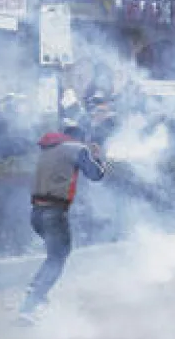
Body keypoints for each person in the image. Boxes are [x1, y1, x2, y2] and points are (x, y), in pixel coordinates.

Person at [17, 124, 108, 324]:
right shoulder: (77, 149)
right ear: (80, 138)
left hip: (37, 213)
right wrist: (97, 156)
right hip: (54, 211)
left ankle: (37, 289)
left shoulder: (49, 149)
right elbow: (96, 175)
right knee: (57, 258)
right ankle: (32, 302)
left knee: (54, 256)